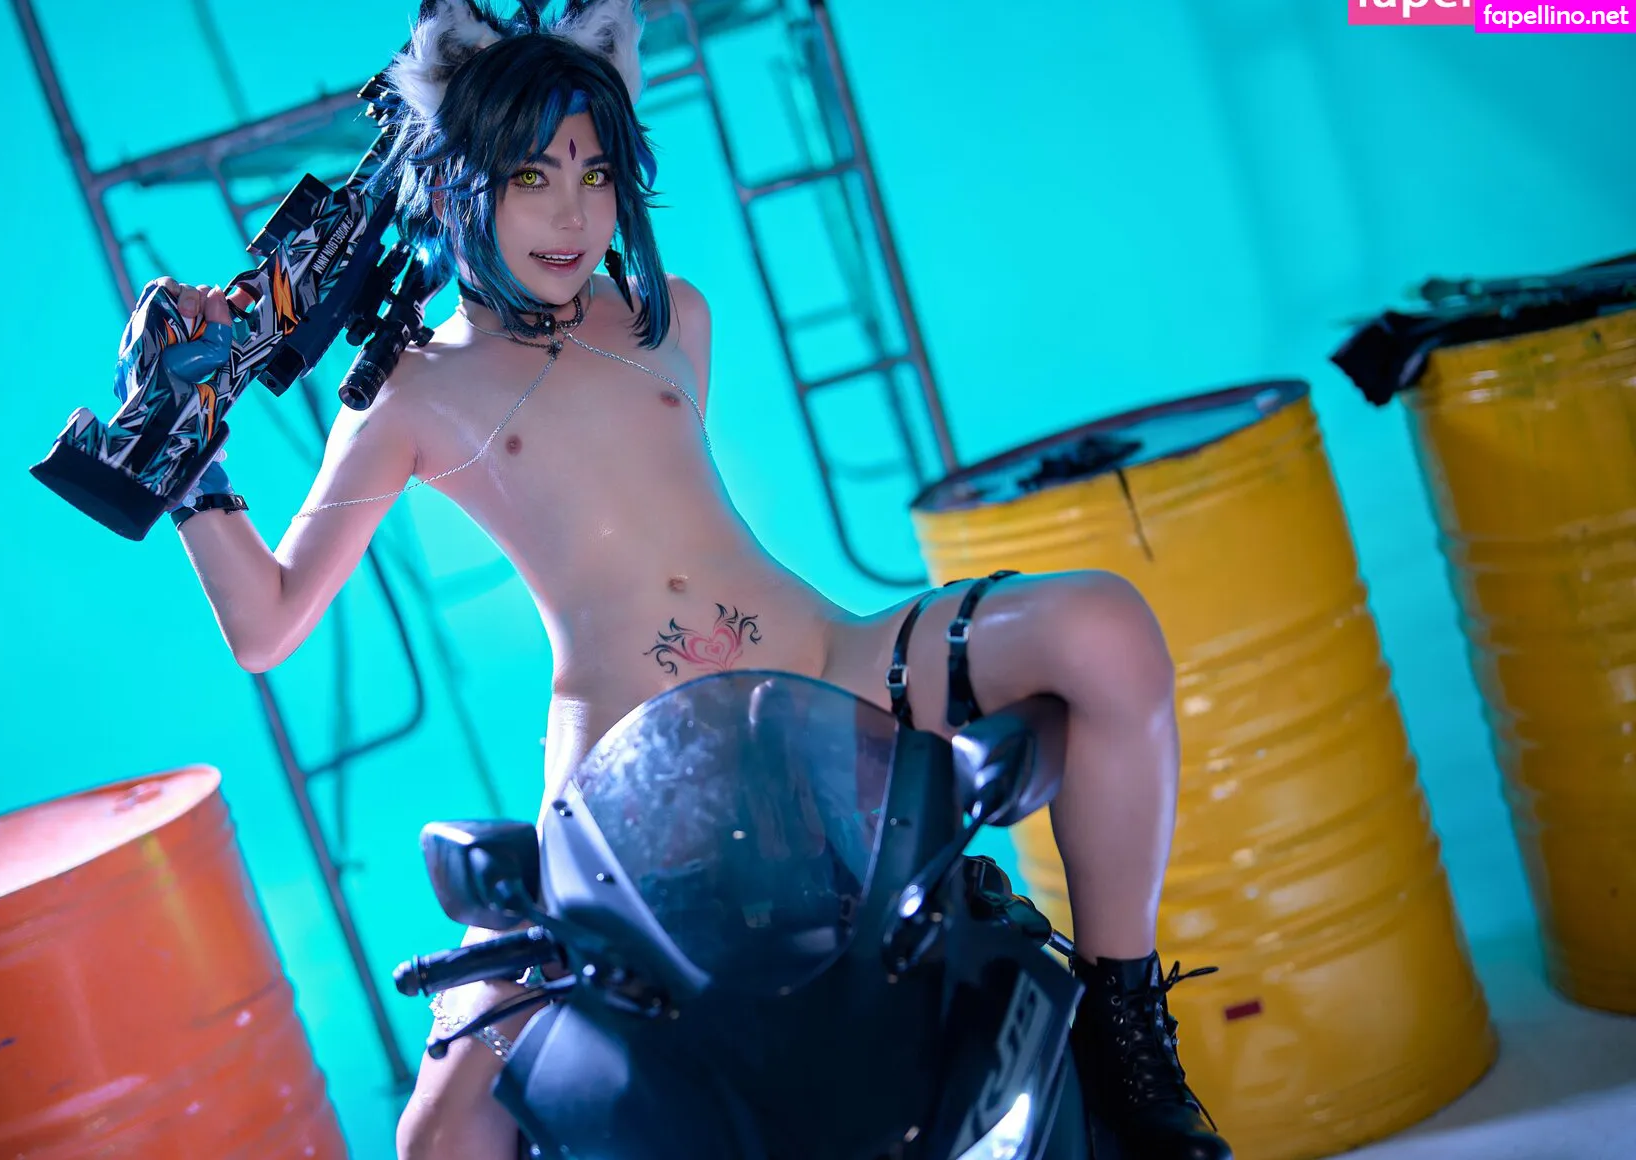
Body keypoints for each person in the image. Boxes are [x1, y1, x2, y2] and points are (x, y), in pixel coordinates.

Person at [150, 2, 1231, 1157]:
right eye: (532, 176)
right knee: (443, 1126)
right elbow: (267, 623)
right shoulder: (409, 391)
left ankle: (1122, 1019)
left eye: (596, 173)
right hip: (631, 776)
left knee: (1103, 628)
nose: (574, 214)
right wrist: (185, 453)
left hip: (828, 672)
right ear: (461, 182)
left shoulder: (671, 318)